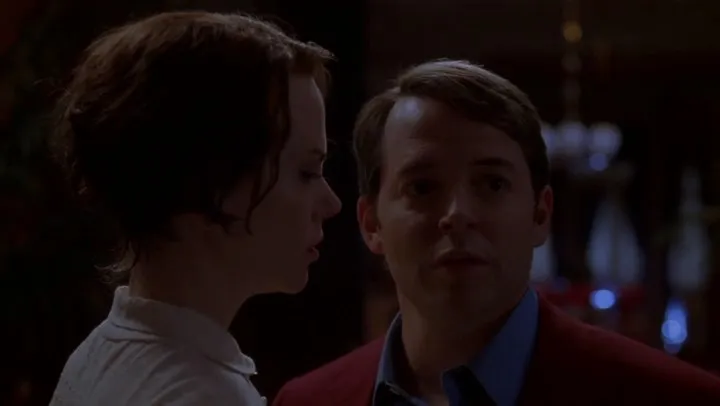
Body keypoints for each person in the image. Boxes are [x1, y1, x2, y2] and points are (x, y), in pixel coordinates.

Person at [271, 60, 720, 406]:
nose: (457, 215)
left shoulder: (674, 398)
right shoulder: (309, 402)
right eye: (422, 187)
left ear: (540, 214)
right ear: (372, 224)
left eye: (492, 184)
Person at [49, 11, 341, 406]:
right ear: (211, 183)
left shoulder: (101, 354)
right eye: (306, 172)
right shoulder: (201, 394)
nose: (331, 203)